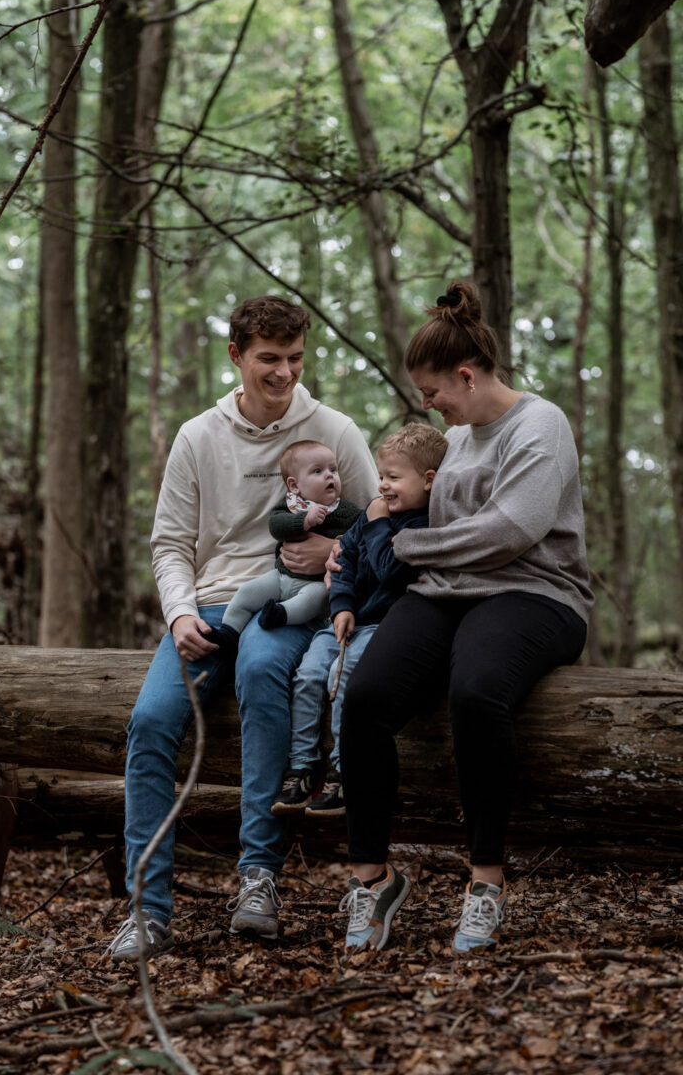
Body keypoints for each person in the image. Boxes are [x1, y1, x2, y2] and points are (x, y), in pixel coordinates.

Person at [107, 295, 378, 961]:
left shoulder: (334, 430)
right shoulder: (200, 435)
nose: (283, 373)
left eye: (293, 358)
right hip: (206, 607)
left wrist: (331, 557)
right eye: (268, 359)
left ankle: (258, 878)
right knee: (150, 721)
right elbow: (170, 543)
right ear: (236, 356)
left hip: (289, 607)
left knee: (262, 673)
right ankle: (147, 907)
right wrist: (176, 613)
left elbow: (378, 524)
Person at [337, 281, 593, 955]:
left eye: (433, 391)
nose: (429, 405)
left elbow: (514, 529)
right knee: (363, 698)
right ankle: (372, 876)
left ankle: (486, 881)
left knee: (475, 692)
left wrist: (409, 546)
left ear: (467, 374)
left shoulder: (541, 425)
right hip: (446, 589)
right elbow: (423, 512)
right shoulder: (460, 434)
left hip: (536, 593)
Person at [271, 423, 448, 818]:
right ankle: (302, 764)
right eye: (381, 476)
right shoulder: (373, 513)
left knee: (345, 675)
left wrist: (378, 520)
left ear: (428, 480)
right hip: (349, 619)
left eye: (394, 478)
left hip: (385, 627)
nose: (383, 486)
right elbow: (345, 558)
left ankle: (343, 768)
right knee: (310, 673)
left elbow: (389, 569)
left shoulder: (423, 526)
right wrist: (342, 605)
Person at [206, 440, 361, 656]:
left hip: (317, 585)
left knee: (311, 602)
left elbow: (361, 537)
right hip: (281, 577)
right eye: (317, 471)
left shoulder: (347, 511)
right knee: (246, 593)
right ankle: (229, 632)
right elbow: (276, 526)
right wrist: (303, 521)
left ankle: (280, 614)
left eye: (333, 469)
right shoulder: (291, 506)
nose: (329, 475)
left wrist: (338, 544)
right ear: (294, 485)